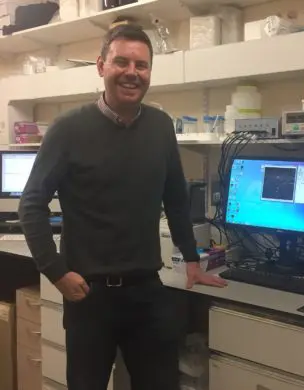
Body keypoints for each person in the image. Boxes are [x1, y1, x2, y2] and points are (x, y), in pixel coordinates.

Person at [18, 24, 227, 390]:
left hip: (146, 291)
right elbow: (31, 205)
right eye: (122, 62)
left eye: (142, 65)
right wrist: (56, 271)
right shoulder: (68, 130)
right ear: (101, 66)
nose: (132, 73)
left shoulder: (160, 127)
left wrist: (192, 261)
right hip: (88, 295)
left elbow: (175, 197)